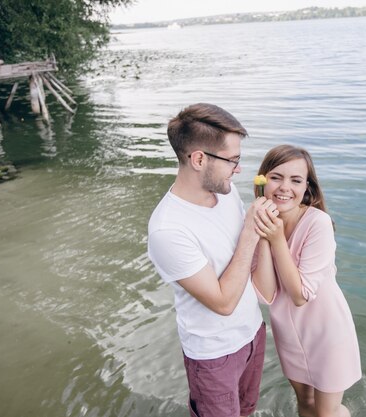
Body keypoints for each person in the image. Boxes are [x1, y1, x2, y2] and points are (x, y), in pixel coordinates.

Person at [147, 103, 278, 417]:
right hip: (213, 356)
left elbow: (249, 265)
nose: (239, 169)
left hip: (252, 334)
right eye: (232, 160)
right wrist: (250, 231)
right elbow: (222, 303)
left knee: (247, 411)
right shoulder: (168, 229)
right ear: (198, 159)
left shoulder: (226, 192)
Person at [251, 145, 362, 417]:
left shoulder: (318, 224)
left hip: (326, 332)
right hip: (289, 333)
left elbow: (300, 295)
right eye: (276, 177)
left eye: (296, 180)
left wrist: (276, 239)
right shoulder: (260, 220)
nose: (284, 187)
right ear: (263, 180)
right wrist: (265, 235)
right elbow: (265, 294)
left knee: (326, 412)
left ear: (307, 187)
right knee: (305, 404)